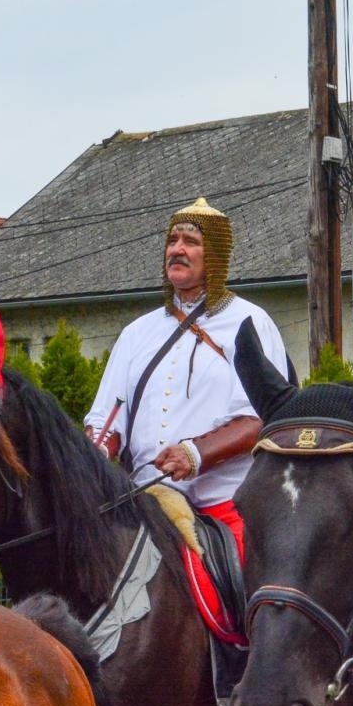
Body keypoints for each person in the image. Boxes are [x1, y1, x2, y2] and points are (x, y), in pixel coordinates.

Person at [83, 196, 288, 557]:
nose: (177, 250)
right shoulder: (136, 333)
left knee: (253, 599)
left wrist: (196, 454)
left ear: (216, 255)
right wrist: (96, 450)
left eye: (191, 242)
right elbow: (106, 420)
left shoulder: (250, 323)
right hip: (143, 505)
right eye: (172, 241)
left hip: (224, 507)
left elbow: (260, 418)